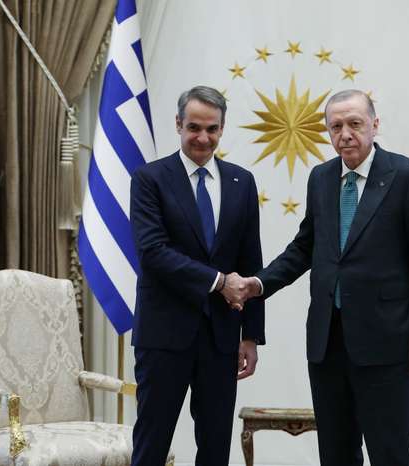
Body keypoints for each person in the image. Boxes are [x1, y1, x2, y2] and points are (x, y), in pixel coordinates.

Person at [233, 90, 409, 465]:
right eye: (336, 126)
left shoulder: (408, 177)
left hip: (387, 344)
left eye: (355, 124)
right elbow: (303, 248)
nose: (345, 134)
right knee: (336, 455)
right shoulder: (321, 178)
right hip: (328, 342)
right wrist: (258, 284)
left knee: (390, 453)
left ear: (374, 125)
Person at [129, 85, 265, 466]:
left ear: (222, 128)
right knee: (152, 443)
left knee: (216, 446)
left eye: (212, 129)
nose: (203, 138)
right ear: (178, 124)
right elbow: (153, 253)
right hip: (164, 336)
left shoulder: (242, 181)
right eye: (193, 128)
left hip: (221, 338)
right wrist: (220, 282)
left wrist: (251, 336)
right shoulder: (149, 179)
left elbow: (250, 260)